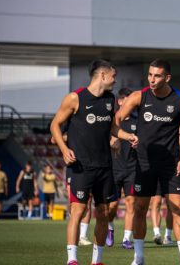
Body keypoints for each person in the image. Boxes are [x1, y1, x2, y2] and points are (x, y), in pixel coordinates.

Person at [114, 58, 180, 265]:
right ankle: (139, 257)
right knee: (140, 208)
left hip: (171, 164)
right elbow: (116, 118)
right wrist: (118, 137)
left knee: (178, 208)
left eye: (157, 76)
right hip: (144, 163)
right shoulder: (138, 96)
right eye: (150, 75)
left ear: (167, 77)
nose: (152, 79)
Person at [50, 60, 138, 265]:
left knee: (104, 214)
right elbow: (55, 125)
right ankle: (72, 260)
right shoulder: (74, 98)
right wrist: (64, 150)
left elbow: (112, 128)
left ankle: (96, 261)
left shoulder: (110, 100)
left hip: (105, 167)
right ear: (102, 76)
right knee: (78, 211)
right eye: (113, 76)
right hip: (81, 166)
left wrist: (127, 136)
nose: (116, 80)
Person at [107, 88, 137, 249]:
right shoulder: (111, 120)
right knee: (112, 206)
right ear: (120, 101)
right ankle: (110, 227)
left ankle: (126, 239)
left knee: (131, 203)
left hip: (132, 169)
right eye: (128, 99)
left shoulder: (137, 121)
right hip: (113, 169)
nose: (131, 103)